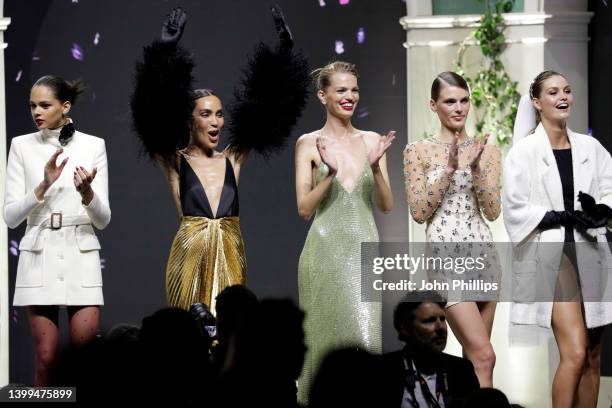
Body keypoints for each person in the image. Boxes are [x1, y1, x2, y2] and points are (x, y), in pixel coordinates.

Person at [131, 7, 309, 313]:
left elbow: (269, 111)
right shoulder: (174, 162)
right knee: (186, 334)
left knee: (231, 330)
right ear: (188, 121)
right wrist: (163, 54)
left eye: (219, 113)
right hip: (187, 257)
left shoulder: (233, 158)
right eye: (205, 114)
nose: (216, 122)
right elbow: (150, 113)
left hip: (230, 252)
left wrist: (284, 55)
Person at [504, 71, 612, 407]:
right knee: (575, 351)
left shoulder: (591, 148)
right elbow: (514, 209)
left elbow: (609, 191)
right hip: (551, 255)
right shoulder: (523, 153)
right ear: (537, 102)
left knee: (593, 356)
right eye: (552, 92)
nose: (562, 97)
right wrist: (556, 216)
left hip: (590, 250)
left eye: (567, 90)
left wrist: (601, 211)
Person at [295, 60, 395, 402]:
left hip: (364, 252)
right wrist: (328, 175)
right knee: (322, 343)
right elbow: (305, 209)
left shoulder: (372, 141)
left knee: (366, 339)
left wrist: (376, 169)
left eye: (354, 89)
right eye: (341, 90)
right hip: (323, 255)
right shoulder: (308, 143)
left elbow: (386, 205)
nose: (350, 96)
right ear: (322, 96)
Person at [3, 75, 111, 386]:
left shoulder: (93, 146)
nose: (36, 111)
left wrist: (87, 193)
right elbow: (10, 216)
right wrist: (43, 185)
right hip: (38, 254)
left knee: (85, 360)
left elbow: (103, 219)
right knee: (47, 359)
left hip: (82, 253)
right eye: (32, 105)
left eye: (44, 105)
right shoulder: (21, 147)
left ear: (64, 106)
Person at [404, 72, 501, 387]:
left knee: (475, 361)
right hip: (447, 258)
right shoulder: (417, 151)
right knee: (485, 355)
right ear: (434, 105)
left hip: (484, 253)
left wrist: (476, 170)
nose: (458, 108)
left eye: (464, 100)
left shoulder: (485, 149)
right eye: (449, 101)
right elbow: (419, 213)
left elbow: (492, 209)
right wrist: (450, 169)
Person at [382, 294, 480, 408]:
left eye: (443, 319)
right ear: (406, 329)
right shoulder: (386, 369)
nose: (440, 327)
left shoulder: (461, 370)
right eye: (429, 321)